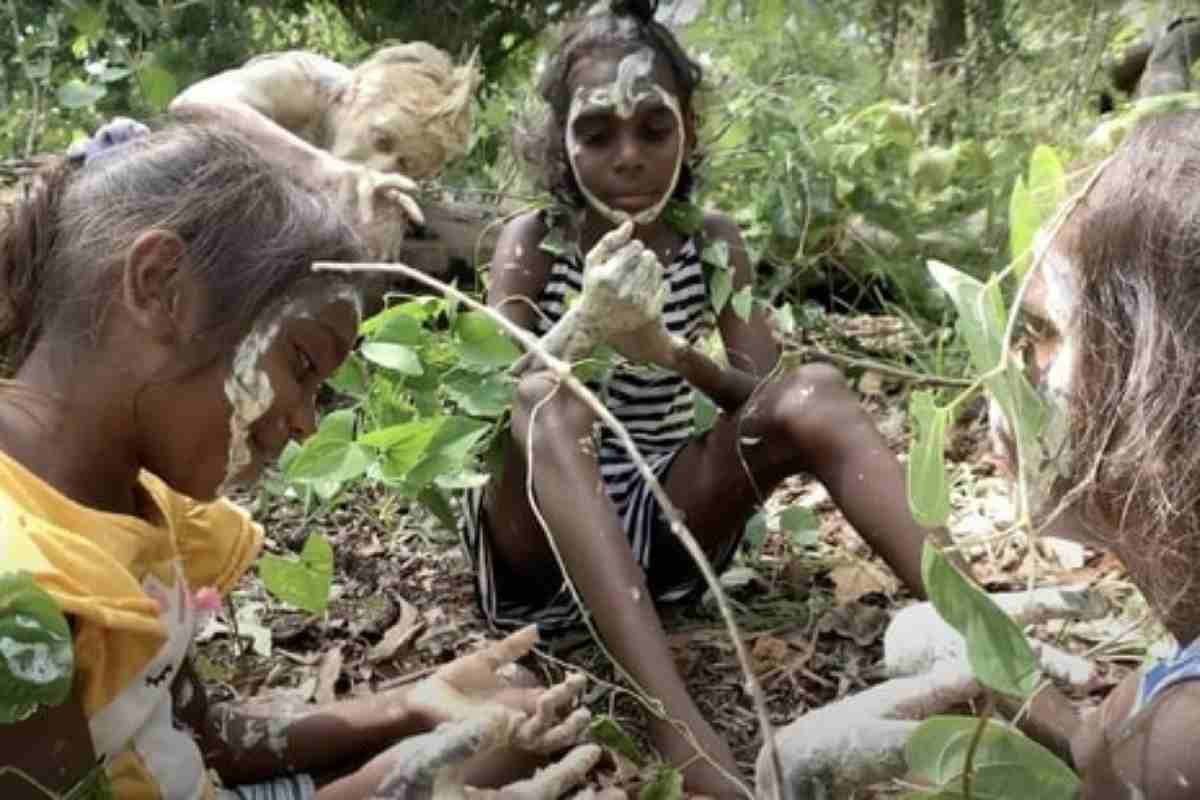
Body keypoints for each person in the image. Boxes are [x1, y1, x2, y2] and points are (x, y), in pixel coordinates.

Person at [0, 123, 594, 800]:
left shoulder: (128, 496)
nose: (306, 422)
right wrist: (384, 789)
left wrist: (410, 703)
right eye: (301, 364)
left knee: (509, 716)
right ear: (160, 286)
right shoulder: (20, 598)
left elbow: (199, 730)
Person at [461, 1, 933, 794]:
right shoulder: (533, 241)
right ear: (557, 139)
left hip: (664, 529)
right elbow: (487, 408)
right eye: (596, 133)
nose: (629, 157)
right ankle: (682, 734)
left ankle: (977, 619)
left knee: (815, 389)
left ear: (688, 127)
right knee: (551, 398)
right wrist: (582, 328)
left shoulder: (710, 241)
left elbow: (769, 398)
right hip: (536, 548)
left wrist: (670, 354)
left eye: (654, 127)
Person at [987, 109, 1200, 799]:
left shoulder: (1178, 742)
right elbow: (1106, 741)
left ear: (1153, 389)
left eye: (1048, 334)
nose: (1016, 373)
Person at [169, 42, 479, 255]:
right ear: (356, 93)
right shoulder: (312, 82)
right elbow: (194, 105)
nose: (381, 169)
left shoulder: (382, 181)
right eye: (381, 141)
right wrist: (319, 168)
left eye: (405, 166)